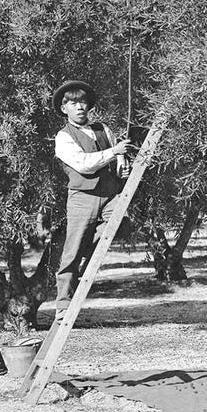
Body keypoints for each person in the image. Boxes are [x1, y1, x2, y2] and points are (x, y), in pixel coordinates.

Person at [51, 80, 132, 320]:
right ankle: (63, 303)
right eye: (73, 103)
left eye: (83, 102)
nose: (79, 107)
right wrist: (114, 153)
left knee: (123, 225)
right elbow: (85, 166)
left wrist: (121, 168)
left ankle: (88, 247)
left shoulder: (103, 129)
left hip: (109, 194)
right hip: (82, 197)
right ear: (64, 108)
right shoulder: (63, 137)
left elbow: (116, 162)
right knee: (72, 252)